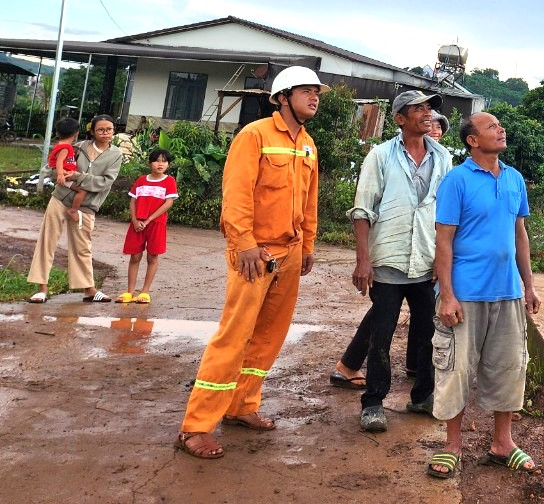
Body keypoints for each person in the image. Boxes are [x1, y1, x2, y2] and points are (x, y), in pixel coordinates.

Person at [173, 65, 323, 460]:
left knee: (269, 336)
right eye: (306, 91)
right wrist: (243, 244)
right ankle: (197, 426)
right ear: (282, 97)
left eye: (316, 92)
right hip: (255, 254)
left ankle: (243, 406)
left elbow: (310, 202)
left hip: (290, 255)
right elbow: (236, 194)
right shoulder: (254, 136)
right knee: (233, 336)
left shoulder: (307, 145)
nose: (314, 97)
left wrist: (307, 246)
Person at [428, 111, 540, 480]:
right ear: (472, 140)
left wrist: (529, 285)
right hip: (465, 294)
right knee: (456, 369)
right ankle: (452, 445)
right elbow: (443, 240)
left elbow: (519, 234)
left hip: (507, 293)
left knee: (508, 368)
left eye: (499, 125)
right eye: (491, 126)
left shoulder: (514, 178)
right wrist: (447, 294)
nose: (500, 129)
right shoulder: (457, 180)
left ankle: (502, 443)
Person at [330, 90, 449, 433]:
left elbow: (446, 213)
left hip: (426, 260)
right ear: (400, 119)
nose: (427, 113)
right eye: (419, 109)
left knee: (428, 333)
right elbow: (363, 209)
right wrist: (363, 260)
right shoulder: (381, 156)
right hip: (389, 260)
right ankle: (373, 402)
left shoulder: (442, 157)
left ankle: (423, 395)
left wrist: (443, 262)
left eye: (429, 108)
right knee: (381, 336)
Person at [26, 114, 123, 304]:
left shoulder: (116, 154)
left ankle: (89, 290)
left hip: (86, 206)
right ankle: (41, 288)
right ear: (92, 131)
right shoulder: (77, 147)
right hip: (61, 198)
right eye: (101, 129)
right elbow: (53, 168)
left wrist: (77, 176)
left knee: (83, 247)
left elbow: (105, 182)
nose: (105, 133)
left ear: (113, 131)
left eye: (109, 129)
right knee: (47, 241)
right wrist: (61, 175)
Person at [115, 147, 178, 304]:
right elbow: (133, 201)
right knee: (135, 256)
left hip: (156, 223)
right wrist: (135, 221)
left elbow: (168, 203)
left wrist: (148, 220)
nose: (160, 164)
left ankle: (144, 291)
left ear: (168, 165)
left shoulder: (169, 181)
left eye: (164, 161)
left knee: (152, 256)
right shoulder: (141, 180)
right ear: (150, 163)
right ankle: (130, 292)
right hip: (137, 223)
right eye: (157, 160)